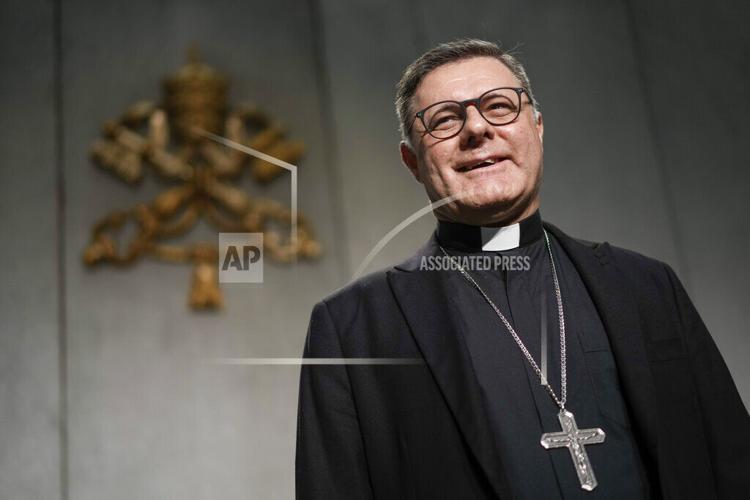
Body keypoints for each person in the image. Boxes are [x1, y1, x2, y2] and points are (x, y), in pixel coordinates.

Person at [295, 38, 750, 499]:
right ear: (412, 161)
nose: (476, 128)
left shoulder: (646, 287)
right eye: (445, 119)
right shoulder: (352, 330)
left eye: (498, 106)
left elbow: (731, 464)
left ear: (537, 127)